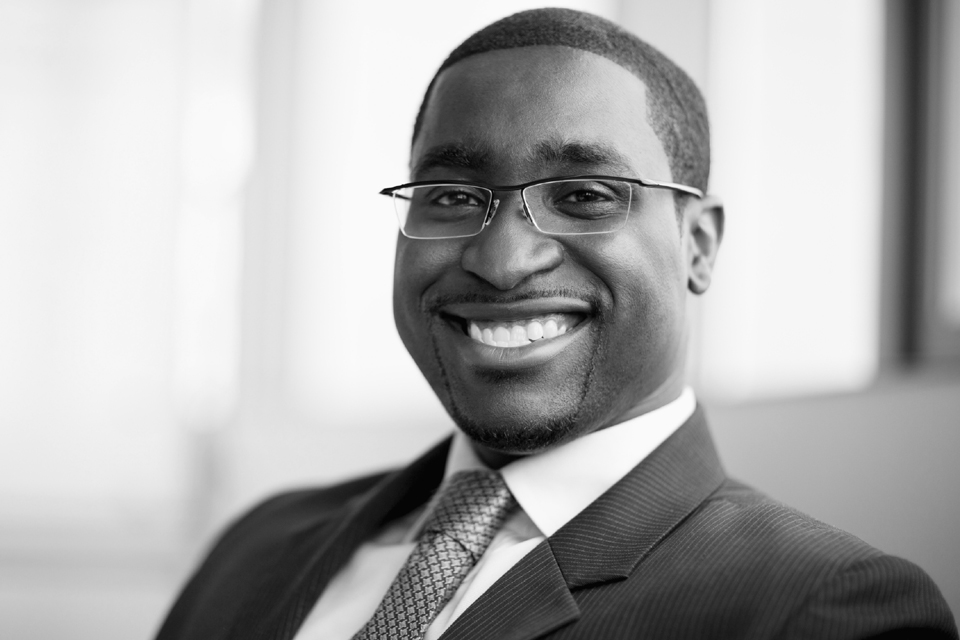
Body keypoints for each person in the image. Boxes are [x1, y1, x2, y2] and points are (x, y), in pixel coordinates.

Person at [155, 8, 958, 640]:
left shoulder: (824, 610)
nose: (503, 262)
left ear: (699, 245)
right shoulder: (258, 546)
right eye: (452, 197)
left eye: (583, 196)